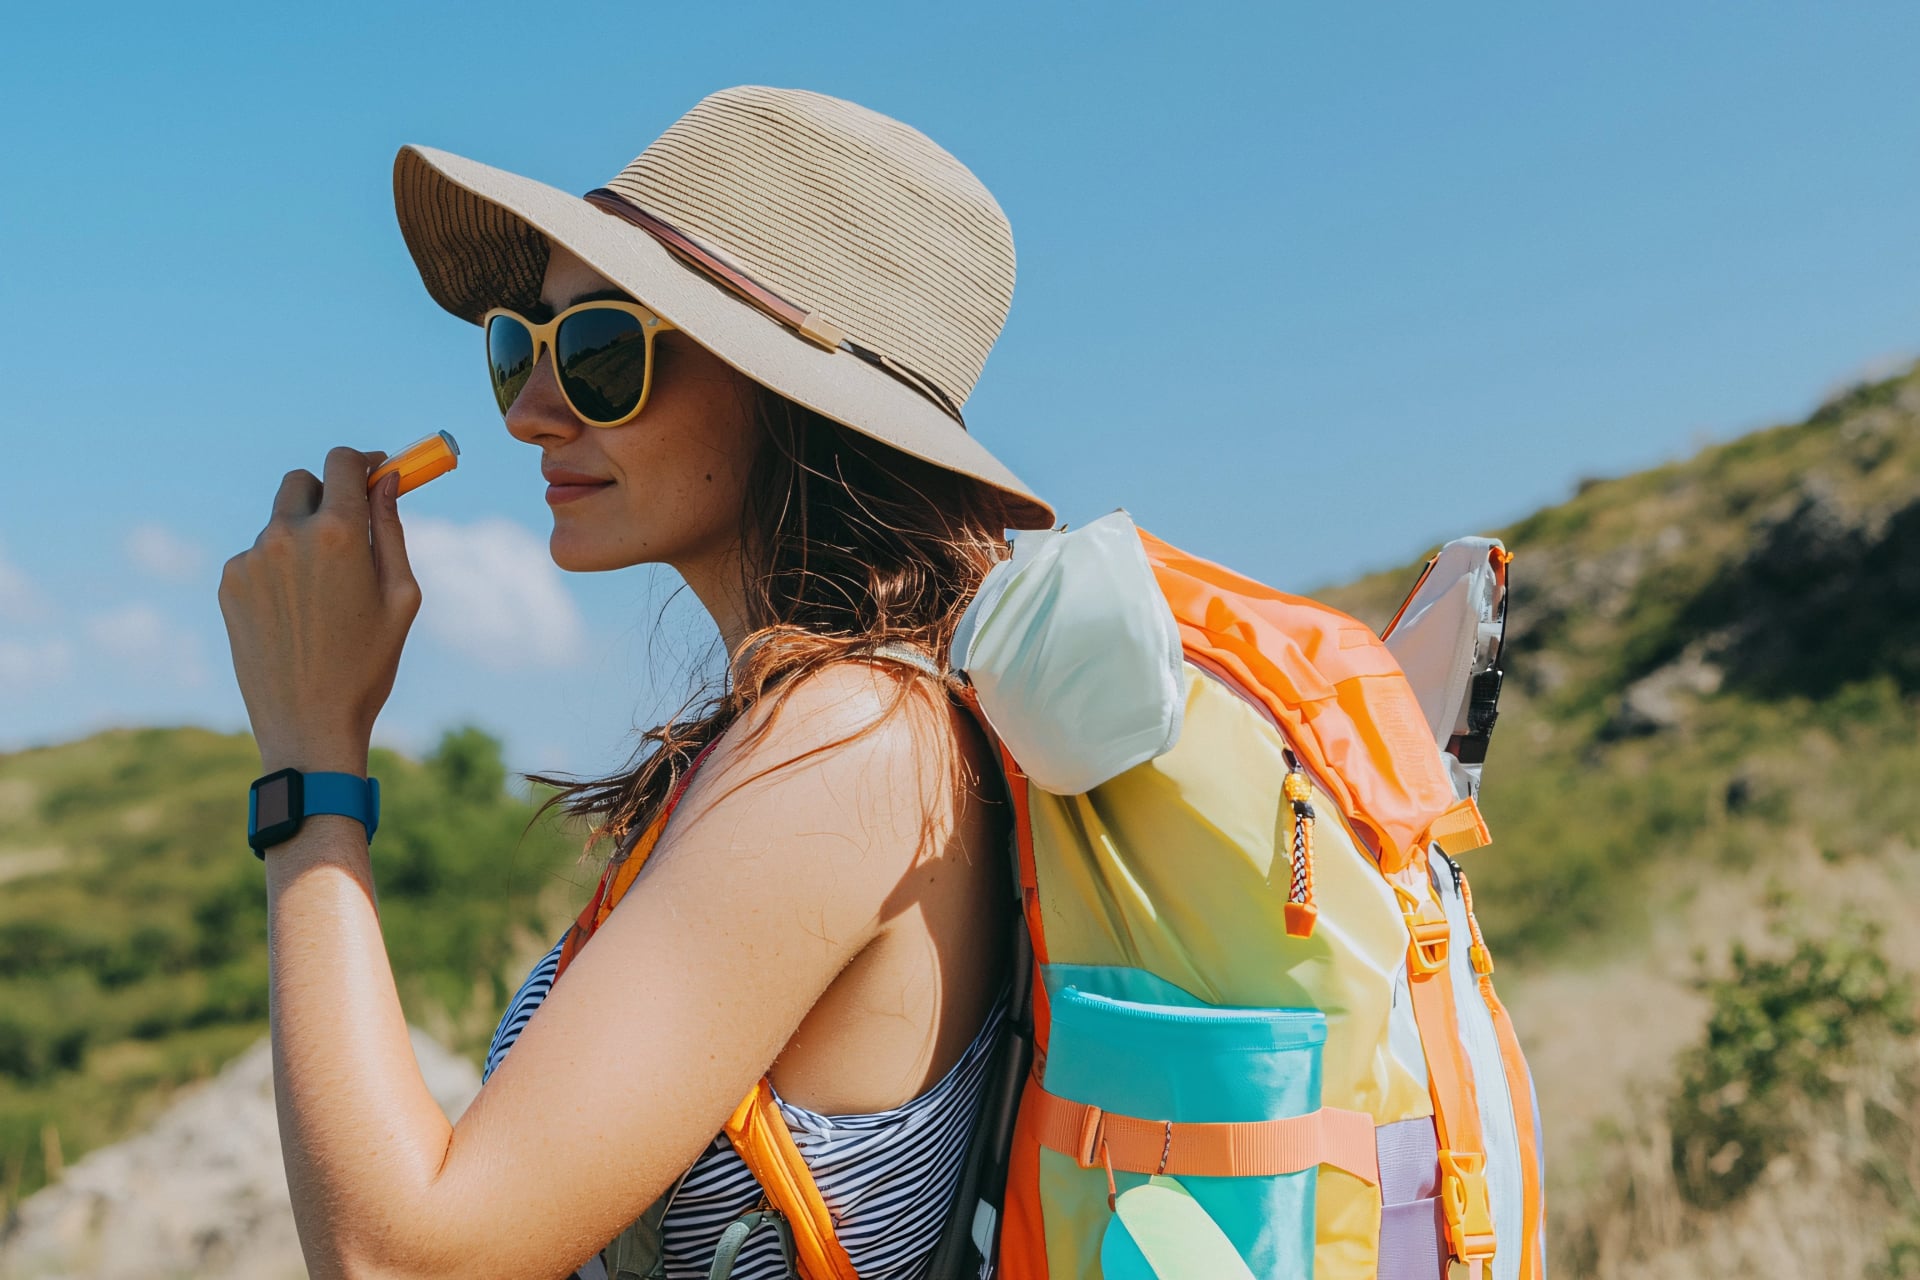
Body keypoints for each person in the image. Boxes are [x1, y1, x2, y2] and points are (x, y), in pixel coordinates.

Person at [217, 86, 1055, 1280]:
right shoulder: (818, 733)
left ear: (790, 393)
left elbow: (402, 1260)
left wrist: (309, 755)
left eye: (603, 353)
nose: (530, 413)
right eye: (524, 344)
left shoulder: (857, 738)